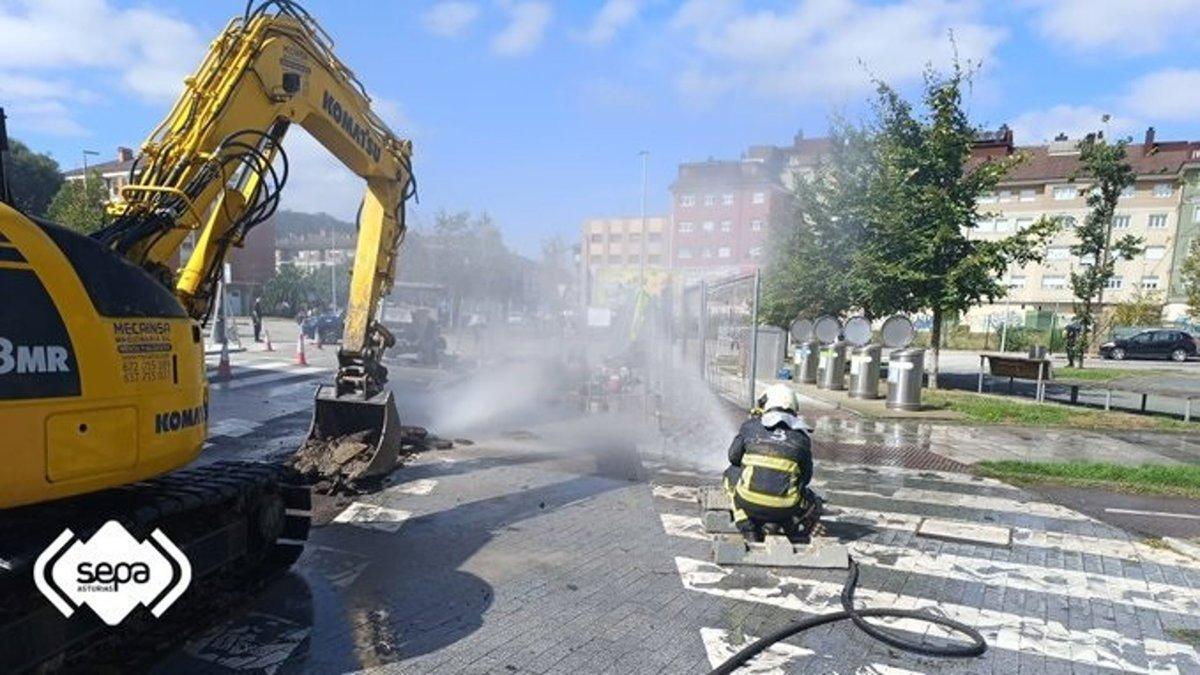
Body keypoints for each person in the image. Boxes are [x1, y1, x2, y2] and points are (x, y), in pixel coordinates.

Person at [723, 383, 820, 543]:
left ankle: (747, 527)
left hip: (749, 503)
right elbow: (806, 478)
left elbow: (733, 458)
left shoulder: (751, 426)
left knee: (730, 474)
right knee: (810, 498)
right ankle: (789, 525)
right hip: (786, 509)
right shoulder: (802, 438)